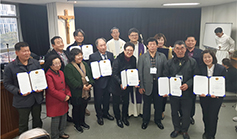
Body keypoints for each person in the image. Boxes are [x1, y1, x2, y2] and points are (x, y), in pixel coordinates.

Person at [3, 42, 43, 134]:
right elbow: (7, 84)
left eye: (28, 51)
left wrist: (41, 87)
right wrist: (18, 91)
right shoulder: (10, 67)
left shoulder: (35, 63)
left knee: (37, 121)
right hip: (22, 99)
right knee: (23, 123)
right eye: (24, 51)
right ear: (17, 53)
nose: (27, 53)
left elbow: (40, 77)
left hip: (36, 97)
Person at [163, 40, 198, 139]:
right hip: (174, 93)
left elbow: (195, 76)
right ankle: (176, 129)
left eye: (182, 48)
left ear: (185, 49)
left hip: (188, 92)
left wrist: (188, 84)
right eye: (177, 48)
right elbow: (166, 75)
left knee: (186, 113)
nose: (180, 51)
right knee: (174, 112)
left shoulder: (192, 62)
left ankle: (184, 130)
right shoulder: (169, 63)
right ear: (174, 50)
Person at [138, 37, 167, 130]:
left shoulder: (162, 56)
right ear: (147, 46)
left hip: (158, 84)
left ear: (157, 45)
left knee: (158, 104)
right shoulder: (142, 57)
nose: (152, 46)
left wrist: (164, 86)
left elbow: (165, 71)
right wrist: (141, 86)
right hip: (146, 84)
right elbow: (140, 73)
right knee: (146, 104)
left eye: (154, 44)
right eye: (150, 44)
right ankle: (145, 121)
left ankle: (158, 120)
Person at [64, 48, 94, 132]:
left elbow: (90, 75)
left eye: (81, 54)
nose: (80, 57)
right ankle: (77, 124)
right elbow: (70, 80)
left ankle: (82, 122)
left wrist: (90, 83)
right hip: (76, 92)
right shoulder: (69, 67)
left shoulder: (84, 64)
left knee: (83, 107)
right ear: (73, 57)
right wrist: (82, 86)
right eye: (78, 55)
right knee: (76, 108)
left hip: (86, 91)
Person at [198, 50, 226, 139]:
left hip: (216, 98)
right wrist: (199, 92)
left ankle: (211, 135)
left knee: (213, 116)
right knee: (205, 115)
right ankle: (206, 131)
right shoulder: (200, 68)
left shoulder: (221, 68)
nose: (207, 59)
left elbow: (224, 83)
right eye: (205, 57)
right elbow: (198, 82)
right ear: (202, 59)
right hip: (204, 97)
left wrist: (218, 93)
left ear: (213, 57)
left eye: (209, 57)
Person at [109, 42, 138, 128]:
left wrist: (136, 81)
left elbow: (134, 71)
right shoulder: (118, 59)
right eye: (127, 50)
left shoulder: (133, 59)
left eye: (131, 50)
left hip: (127, 85)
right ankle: (118, 118)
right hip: (117, 85)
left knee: (126, 102)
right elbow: (114, 74)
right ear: (124, 50)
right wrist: (121, 82)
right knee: (116, 103)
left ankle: (124, 117)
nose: (129, 52)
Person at [45, 36, 73, 122]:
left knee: (67, 99)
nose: (61, 44)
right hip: (57, 80)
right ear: (53, 45)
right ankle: (62, 119)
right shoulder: (50, 55)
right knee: (60, 101)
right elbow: (47, 68)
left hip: (68, 79)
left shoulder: (66, 52)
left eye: (61, 41)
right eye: (58, 42)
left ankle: (66, 115)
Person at [88, 38, 114, 125]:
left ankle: (106, 113)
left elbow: (113, 66)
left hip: (109, 81)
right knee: (98, 100)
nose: (103, 47)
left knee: (107, 99)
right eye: (101, 45)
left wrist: (112, 69)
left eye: (104, 45)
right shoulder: (93, 56)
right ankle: (99, 116)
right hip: (98, 82)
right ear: (97, 47)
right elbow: (90, 70)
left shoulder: (110, 55)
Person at [44, 55, 71, 139]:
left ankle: (61, 132)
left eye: (59, 63)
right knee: (56, 120)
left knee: (64, 117)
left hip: (63, 99)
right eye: (56, 63)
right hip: (55, 101)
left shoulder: (61, 72)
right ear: (50, 65)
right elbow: (51, 90)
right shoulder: (48, 75)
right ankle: (55, 136)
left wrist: (68, 94)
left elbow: (65, 85)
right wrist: (63, 97)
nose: (59, 65)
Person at [66, 28, 92, 116]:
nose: (80, 37)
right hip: (75, 73)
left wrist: (90, 83)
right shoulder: (70, 48)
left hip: (84, 70)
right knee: (77, 104)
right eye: (78, 36)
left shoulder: (88, 47)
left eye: (82, 36)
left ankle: (84, 110)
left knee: (85, 100)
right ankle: (77, 119)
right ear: (74, 37)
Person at [128, 28, 147, 117]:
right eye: (132, 35)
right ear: (129, 36)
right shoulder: (127, 45)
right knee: (131, 92)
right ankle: (132, 111)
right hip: (130, 72)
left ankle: (140, 111)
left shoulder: (142, 46)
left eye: (136, 35)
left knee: (140, 91)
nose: (134, 37)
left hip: (140, 71)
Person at [184, 35, 203, 125]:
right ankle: (182, 116)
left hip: (196, 78)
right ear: (185, 42)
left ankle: (190, 116)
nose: (190, 42)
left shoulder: (200, 52)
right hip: (184, 78)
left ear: (195, 42)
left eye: (192, 41)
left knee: (192, 99)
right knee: (182, 99)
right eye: (188, 41)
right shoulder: (182, 51)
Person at [154, 33, 172, 120]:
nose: (160, 41)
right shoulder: (152, 48)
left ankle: (161, 111)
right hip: (153, 75)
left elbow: (169, 62)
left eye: (161, 39)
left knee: (163, 95)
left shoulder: (168, 50)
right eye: (158, 39)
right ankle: (155, 110)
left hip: (164, 75)